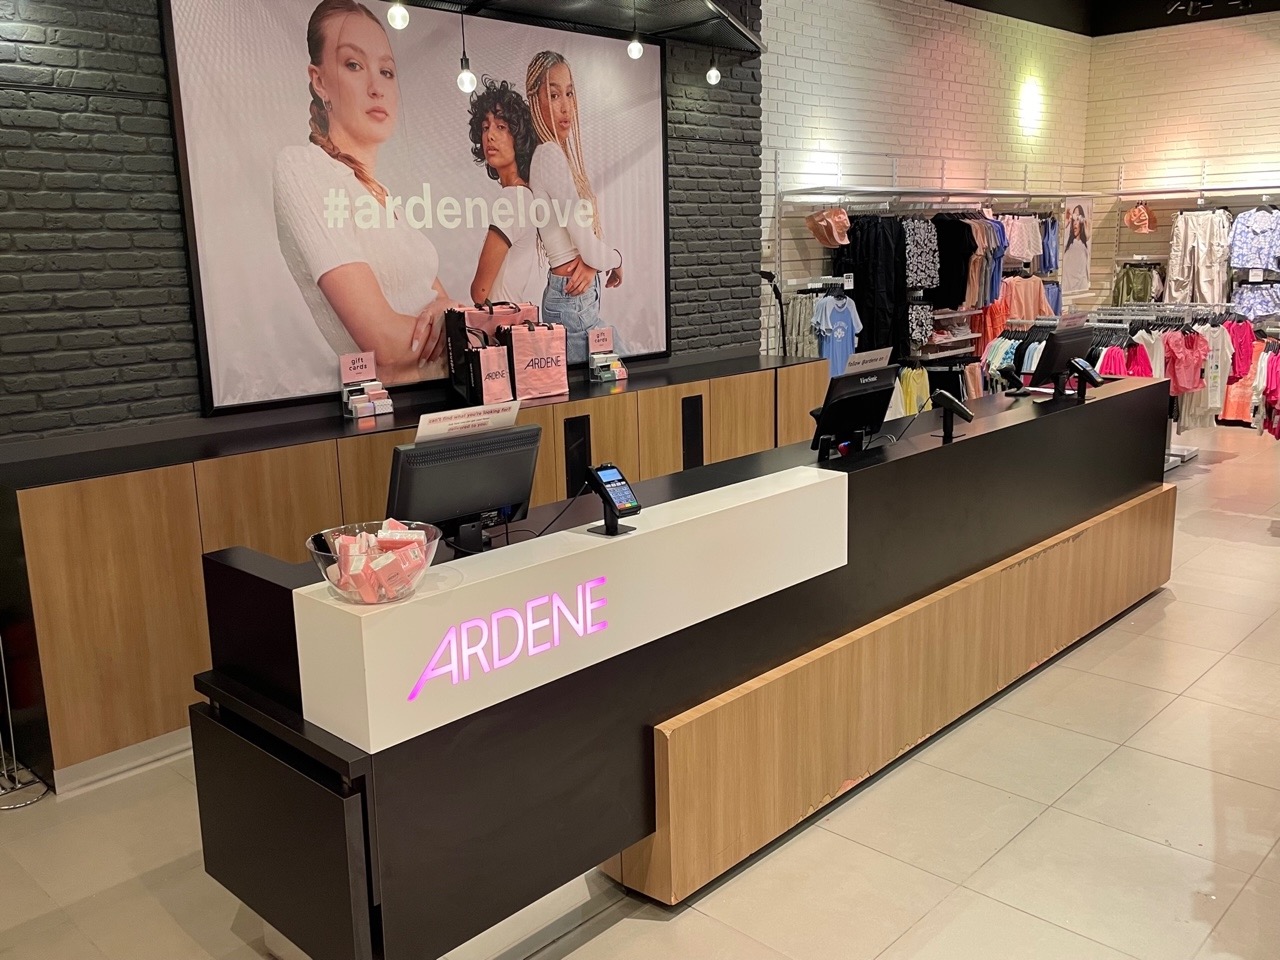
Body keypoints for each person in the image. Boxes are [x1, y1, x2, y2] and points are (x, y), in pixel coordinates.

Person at [274, 0, 458, 385]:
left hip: (448, 399)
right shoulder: (302, 168)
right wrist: (464, 331)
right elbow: (385, 347)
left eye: (386, 71)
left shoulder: (384, 196)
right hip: (397, 409)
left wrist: (454, 319)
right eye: (354, 65)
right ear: (319, 80)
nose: (377, 88)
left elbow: (447, 309)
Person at [526, 51, 623, 363]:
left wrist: (595, 262)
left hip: (574, 298)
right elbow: (583, 240)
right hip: (573, 301)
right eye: (554, 95)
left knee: (610, 382)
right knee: (617, 381)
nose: (566, 106)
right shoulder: (549, 155)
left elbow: (584, 246)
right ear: (535, 101)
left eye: (569, 93)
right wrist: (615, 259)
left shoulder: (553, 156)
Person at [467, 78, 543, 306]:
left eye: (501, 127)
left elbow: (480, 292)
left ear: (518, 137)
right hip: (511, 316)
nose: (489, 136)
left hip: (498, 321)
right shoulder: (525, 194)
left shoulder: (512, 199)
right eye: (485, 127)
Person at [1061, 204, 1091, 297]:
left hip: (1081, 290)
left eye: (1078, 219)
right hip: (1066, 289)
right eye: (1074, 219)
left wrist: (1088, 234)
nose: (1075, 223)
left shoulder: (1084, 247)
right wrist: (1066, 223)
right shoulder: (1067, 244)